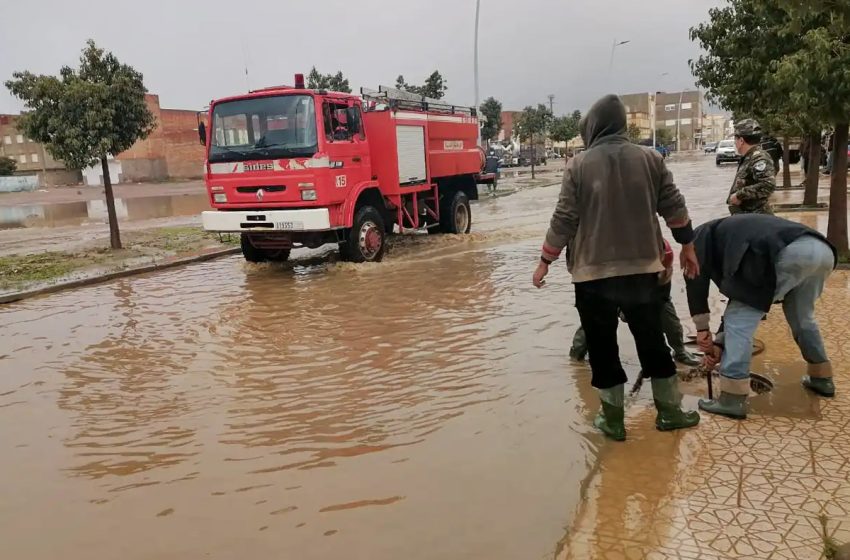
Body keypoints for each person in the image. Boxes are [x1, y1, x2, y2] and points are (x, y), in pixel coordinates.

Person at [533, 94, 701, 441]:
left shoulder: (578, 166)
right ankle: (669, 413)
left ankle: (613, 421)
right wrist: (688, 246)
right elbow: (675, 208)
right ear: (622, 124)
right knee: (653, 342)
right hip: (643, 273)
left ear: (591, 127)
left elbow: (564, 218)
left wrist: (544, 261)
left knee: (603, 348)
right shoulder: (651, 159)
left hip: (592, 278)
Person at [686, 214, 837, 419]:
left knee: (739, 321)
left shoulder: (696, 240)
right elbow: (740, 294)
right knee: (803, 317)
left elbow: (696, 283)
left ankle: (732, 398)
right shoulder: (727, 234)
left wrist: (702, 328)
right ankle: (822, 378)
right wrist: (720, 343)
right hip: (821, 250)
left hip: (787, 253)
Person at [569, 239, 701, 367]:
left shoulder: (664, 256)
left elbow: (663, 296)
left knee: (669, 317)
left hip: (647, 292)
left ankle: (680, 351)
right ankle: (576, 355)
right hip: (610, 285)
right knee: (595, 318)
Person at [727, 119, 776, 215]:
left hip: (757, 219)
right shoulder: (749, 157)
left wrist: (739, 195)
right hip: (747, 217)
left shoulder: (759, 158)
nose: (735, 143)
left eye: (735, 139)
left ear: (741, 141)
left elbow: (768, 184)